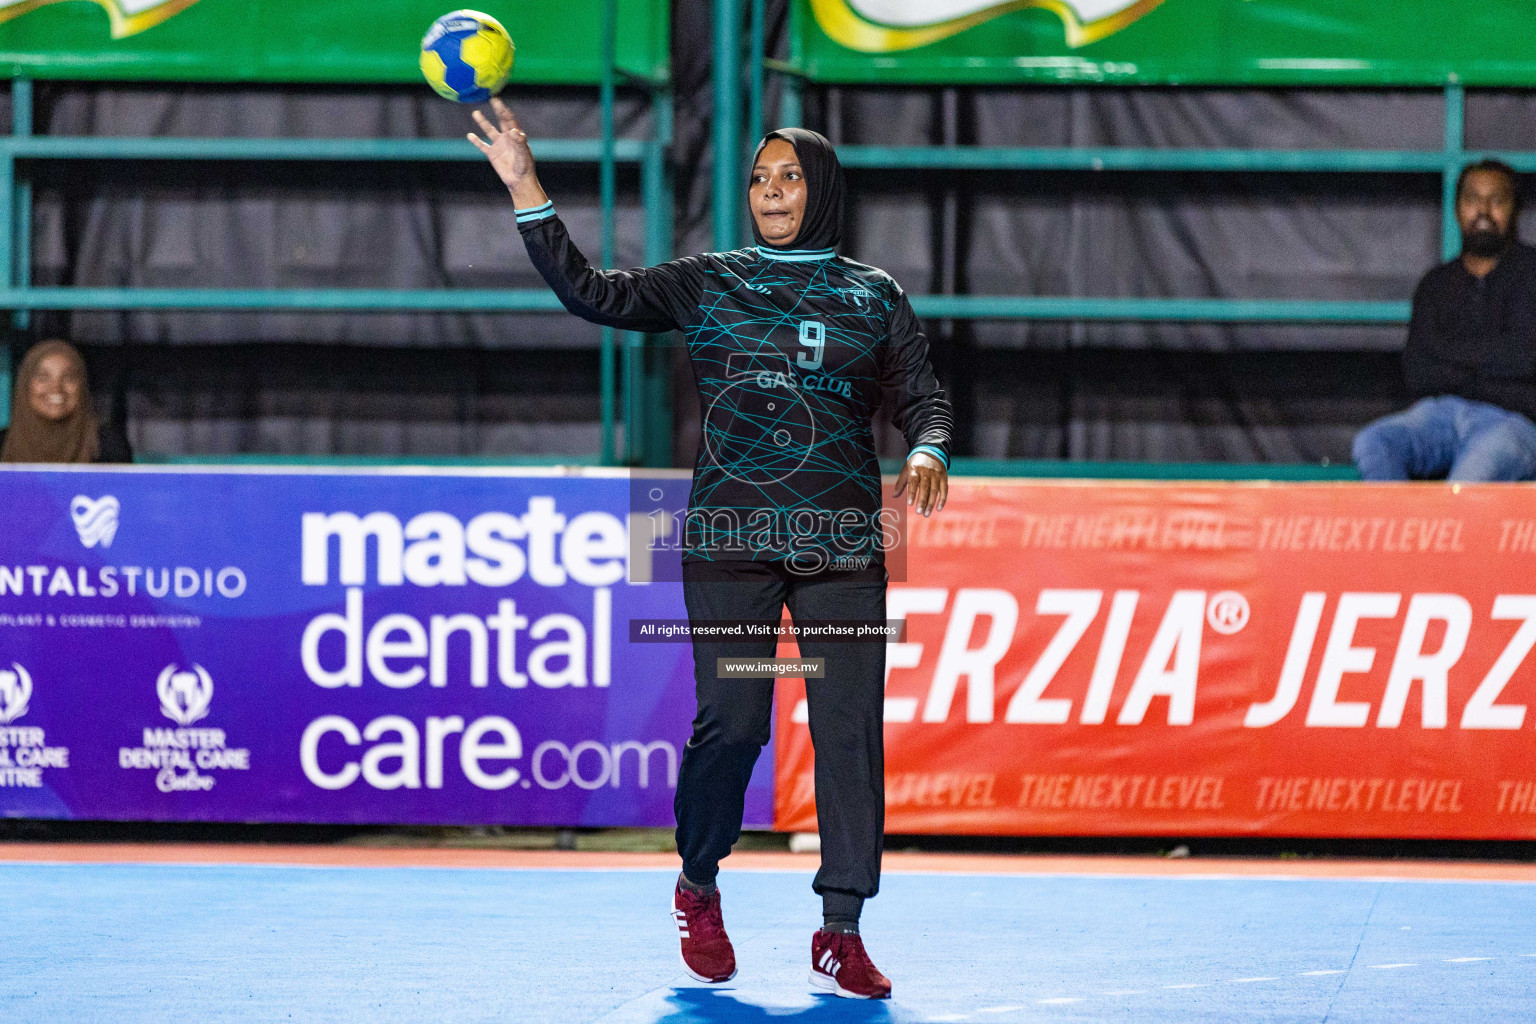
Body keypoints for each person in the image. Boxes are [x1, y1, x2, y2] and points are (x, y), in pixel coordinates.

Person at [469, 99, 952, 999]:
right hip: (726, 534)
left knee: (848, 729)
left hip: (844, 538)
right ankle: (698, 881)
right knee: (734, 725)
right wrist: (525, 185)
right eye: (760, 179)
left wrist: (928, 447)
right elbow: (594, 294)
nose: (770, 191)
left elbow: (924, 395)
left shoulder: (875, 293)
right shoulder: (710, 280)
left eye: (789, 176)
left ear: (823, 189)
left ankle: (840, 926)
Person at [1353, 160, 1536, 481]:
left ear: (1515, 210)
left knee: (1469, 478)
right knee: (1374, 443)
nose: (1483, 211)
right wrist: (1493, 364)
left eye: (1497, 200)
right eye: (1472, 199)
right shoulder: (1435, 283)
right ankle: (1400, 533)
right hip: (1439, 414)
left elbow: (1527, 359)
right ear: (1456, 210)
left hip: (1515, 421)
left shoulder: (1532, 272)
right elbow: (1418, 372)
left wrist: (1449, 354)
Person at [1, 339, 132, 464]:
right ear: (25, 386)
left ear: (82, 386)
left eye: (69, 378)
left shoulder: (108, 446)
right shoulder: (2, 444)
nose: (56, 388)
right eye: (43, 378)